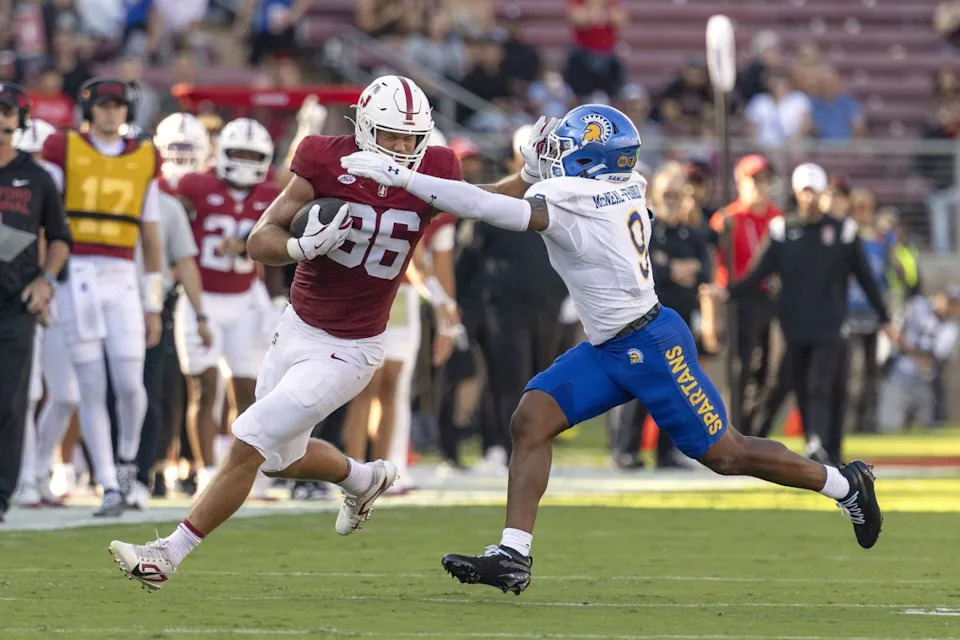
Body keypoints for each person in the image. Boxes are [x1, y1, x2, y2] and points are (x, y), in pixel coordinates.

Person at [341, 105, 884, 596]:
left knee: (726, 454)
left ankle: (843, 483)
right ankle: (513, 554)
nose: (553, 154)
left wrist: (403, 176)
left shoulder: (574, 200)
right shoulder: (628, 182)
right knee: (531, 420)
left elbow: (482, 205)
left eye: (565, 148)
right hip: (608, 344)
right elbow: (528, 193)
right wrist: (533, 170)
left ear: (590, 161)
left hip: (649, 344)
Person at [108, 75, 462, 589]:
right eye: (391, 136)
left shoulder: (436, 167)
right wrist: (301, 249)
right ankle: (366, 479)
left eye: (412, 138)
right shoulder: (323, 157)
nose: (404, 148)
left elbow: (487, 200)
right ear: (364, 128)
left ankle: (166, 554)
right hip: (296, 326)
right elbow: (260, 239)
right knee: (279, 460)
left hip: (351, 348)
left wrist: (532, 181)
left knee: (249, 436)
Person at [39, 77, 165, 517]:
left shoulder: (145, 156)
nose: (111, 112)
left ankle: (127, 461)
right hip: (76, 273)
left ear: (128, 109)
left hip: (122, 275)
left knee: (130, 384)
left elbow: (150, 234)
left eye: (118, 105)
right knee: (91, 386)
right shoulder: (64, 148)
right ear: (89, 109)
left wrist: (154, 301)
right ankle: (109, 482)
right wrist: (47, 278)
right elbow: (44, 216)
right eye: (103, 105)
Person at [729, 163, 893, 466]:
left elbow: (867, 279)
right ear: (796, 192)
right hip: (792, 326)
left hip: (830, 326)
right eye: (805, 190)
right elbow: (757, 274)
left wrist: (886, 318)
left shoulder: (843, 231)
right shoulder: (783, 230)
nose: (810, 197)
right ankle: (752, 441)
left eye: (815, 191)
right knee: (782, 386)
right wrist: (727, 291)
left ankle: (820, 444)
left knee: (821, 385)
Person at [172, 117, 279, 494]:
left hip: (247, 299)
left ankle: (244, 474)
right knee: (205, 388)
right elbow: (170, 226)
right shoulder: (196, 186)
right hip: (203, 298)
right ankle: (204, 472)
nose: (247, 160)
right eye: (240, 153)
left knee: (248, 393)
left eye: (254, 154)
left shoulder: (271, 193)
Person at [0, 84, 72, 523]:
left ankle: (2, 494)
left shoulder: (38, 176)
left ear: (17, 121)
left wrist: (46, 280)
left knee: (9, 403)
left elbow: (61, 237)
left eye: (5, 113)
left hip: (15, 305)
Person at [708, 154, 782, 434]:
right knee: (740, 366)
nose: (760, 187)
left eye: (765, 181)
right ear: (740, 182)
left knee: (768, 368)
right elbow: (716, 262)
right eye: (754, 181)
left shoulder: (777, 217)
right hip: (739, 299)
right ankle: (734, 426)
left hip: (770, 298)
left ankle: (753, 427)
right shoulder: (728, 218)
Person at [877, 285, 960, 433]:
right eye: (950, 301)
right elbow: (897, 333)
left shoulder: (951, 329)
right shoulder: (919, 306)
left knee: (927, 431)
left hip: (925, 382)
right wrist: (911, 350)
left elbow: (934, 356)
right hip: (900, 375)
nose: (951, 307)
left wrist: (908, 349)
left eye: (956, 304)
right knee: (888, 428)